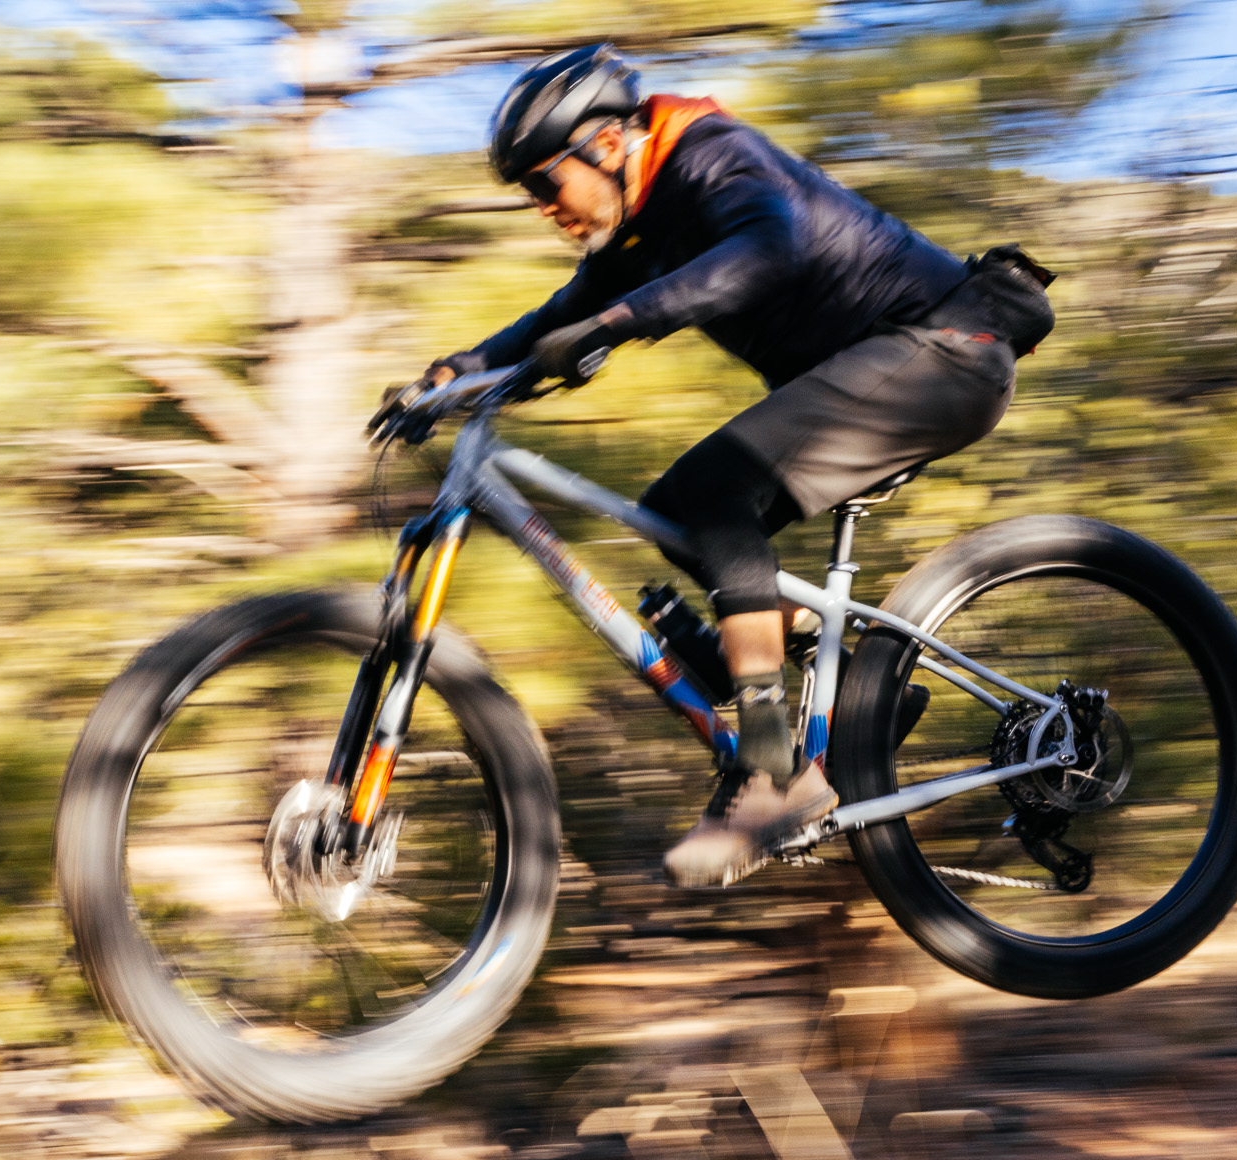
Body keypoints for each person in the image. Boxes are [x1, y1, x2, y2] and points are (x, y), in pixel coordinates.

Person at [396, 43, 1055, 888]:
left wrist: (618, 324)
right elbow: (562, 311)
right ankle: (861, 694)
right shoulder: (645, 224)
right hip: (884, 366)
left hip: (945, 350)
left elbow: (764, 252)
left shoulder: (711, 156)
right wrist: (456, 372)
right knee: (682, 515)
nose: (542, 208)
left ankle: (775, 770)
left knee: (714, 496)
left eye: (543, 182)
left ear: (603, 144)